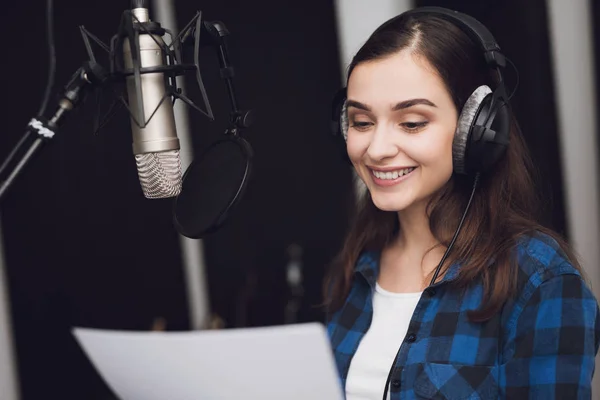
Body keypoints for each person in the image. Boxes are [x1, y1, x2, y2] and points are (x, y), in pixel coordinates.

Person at [324, 6, 600, 400]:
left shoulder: (540, 281)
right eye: (362, 122)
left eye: (412, 123)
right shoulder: (353, 269)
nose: (377, 149)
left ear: (477, 129)